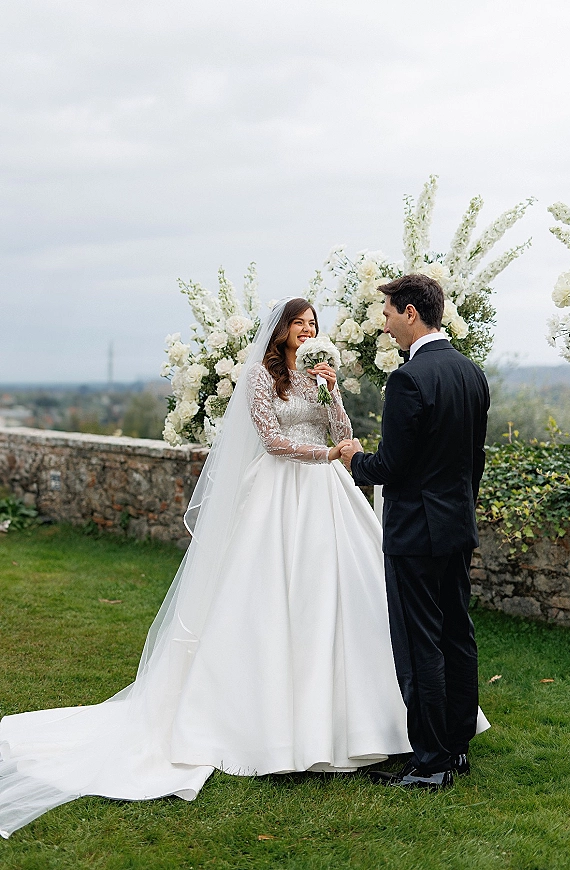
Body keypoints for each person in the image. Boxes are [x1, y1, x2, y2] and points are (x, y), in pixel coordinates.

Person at [0, 297, 413, 839]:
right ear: (282, 331)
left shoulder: (320, 374)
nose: (308, 330)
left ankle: (365, 720)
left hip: (327, 496)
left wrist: (331, 391)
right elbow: (272, 439)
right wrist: (326, 457)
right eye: (300, 323)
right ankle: (269, 721)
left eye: (313, 324)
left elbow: (340, 429)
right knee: (268, 599)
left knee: (343, 594)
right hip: (281, 492)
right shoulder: (265, 380)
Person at [341, 274, 490, 791]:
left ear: (409, 312)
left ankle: (429, 764)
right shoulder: (471, 373)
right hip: (455, 526)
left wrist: (354, 459)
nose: (383, 323)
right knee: (457, 635)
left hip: (414, 533)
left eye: (386, 313)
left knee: (419, 643)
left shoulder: (409, 379)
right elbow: (476, 460)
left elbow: (394, 465)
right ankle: (457, 748)